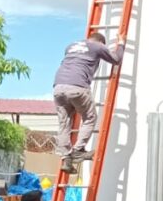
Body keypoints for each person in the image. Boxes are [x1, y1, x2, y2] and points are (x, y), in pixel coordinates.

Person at [53, 30, 124, 174]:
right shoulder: (97, 46)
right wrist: (121, 43)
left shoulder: (71, 46)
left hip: (58, 87)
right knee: (90, 117)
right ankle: (78, 150)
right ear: (101, 42)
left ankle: (66, 158)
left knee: (64, 124)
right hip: (77, 86)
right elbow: (116, 59)